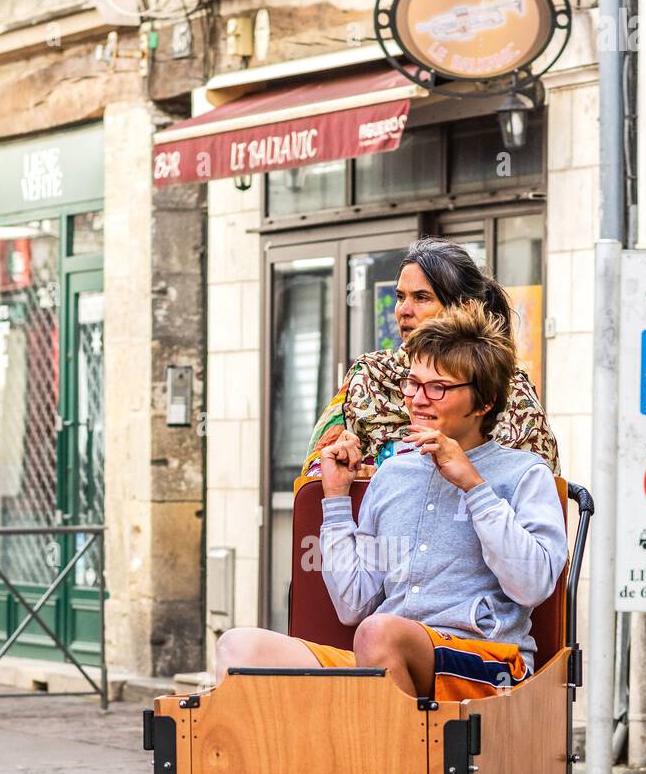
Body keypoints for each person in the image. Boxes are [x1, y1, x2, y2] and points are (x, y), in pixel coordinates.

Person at [215, 300, 567, 699]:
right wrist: (334, 499)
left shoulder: (524, 474)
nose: (417, 399)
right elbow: (354, 604)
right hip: (382, 652)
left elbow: (534, 586)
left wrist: (473, 485)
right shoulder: (394, 474)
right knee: (239, 649)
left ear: (484, 402)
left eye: (438, 387)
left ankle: (391, 761)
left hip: (487, 664)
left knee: (380, 633)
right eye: (412, 384)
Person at [301, 236, 560, 479]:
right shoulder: (370, 377)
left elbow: (539, 492)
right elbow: (314, 478)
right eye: (400, 297)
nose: (404, 310)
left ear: (465, 307)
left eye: (422, 297)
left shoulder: (505, 388)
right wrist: (354, 472)